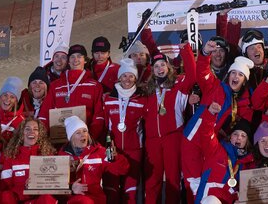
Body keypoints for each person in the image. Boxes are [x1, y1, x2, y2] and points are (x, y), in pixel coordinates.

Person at [181, 42, 255, 202]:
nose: (236, 77)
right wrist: (205, 53)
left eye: (240, 75)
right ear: (228, 75)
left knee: (205, 181)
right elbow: (202, 73)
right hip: (192, 140)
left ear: (244, 81)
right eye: (233, 73)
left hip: (210, 143)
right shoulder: (216, 87)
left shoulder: (238, 101)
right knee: (193, 184)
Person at [141, 47, 197, 204]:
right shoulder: (148, 90)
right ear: (152, 70)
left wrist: (186, 50)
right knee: (152, 180)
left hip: (173, 137)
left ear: (169, 67)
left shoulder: (179, 84)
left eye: (162, 65)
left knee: (173, 178)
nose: (160, 69)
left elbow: (193, 75)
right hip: (152, 140)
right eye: (156, 66)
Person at [38, 44, 106, 142]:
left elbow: (99, 116)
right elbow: (44, 114)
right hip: (59, 141)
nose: (75, 60)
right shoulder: (55, 86)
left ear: (85, 60)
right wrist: (43, 137)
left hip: (85, 141)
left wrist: (90, 138)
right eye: (72, 57)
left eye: (79, 56)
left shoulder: (94, 86)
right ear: (68, 61)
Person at [102, 58, 147, 203]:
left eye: (131, 76)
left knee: (131, 188)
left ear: (135, 78)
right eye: (124, 76)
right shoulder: (108, 99)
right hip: (113, 149)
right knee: (112, 188)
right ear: (119, 77)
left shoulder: (142, 99)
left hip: (134, 149)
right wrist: (107, 145)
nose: (127, 79)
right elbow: (105, 125)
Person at [190, 105, 255, 204]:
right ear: (230, 137)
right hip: (208, 199)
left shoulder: (245, 163)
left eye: (243, 136)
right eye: (235, 134)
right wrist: (210, 114)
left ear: (247, 141)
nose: (239, 138)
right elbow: (206, 133)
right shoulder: (216, 149)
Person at [60, 116, 129, 204]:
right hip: (71, 199)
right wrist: (71, 187)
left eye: (85, 131)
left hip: (95, 199)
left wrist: (115, 159)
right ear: (71, 138)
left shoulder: (98, 151)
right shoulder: (63, 154)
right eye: (78, 132)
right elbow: (57, 182)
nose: (83, 134)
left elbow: (123, 169)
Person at [0, 118, 58, 204]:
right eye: (27, 129)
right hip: (20, 200)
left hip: (41, 200)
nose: (32, 132)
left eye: (35, 129)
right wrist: (24, 188)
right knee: (6, 195)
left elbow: (55, 183)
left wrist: (37, 185)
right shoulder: (11, 156)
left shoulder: (48, 155)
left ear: (40, 134)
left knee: (47, 198)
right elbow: (5, 185)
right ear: (21, 133)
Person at [0, 77, 26, 142]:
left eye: (12, 97)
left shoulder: (21, 122)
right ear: (0, 96)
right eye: (5, 95)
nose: (8, 99)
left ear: (16, 101)